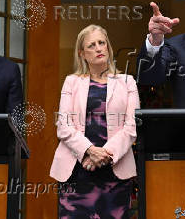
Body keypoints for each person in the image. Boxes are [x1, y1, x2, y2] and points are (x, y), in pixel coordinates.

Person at [50, 24, 139, 219]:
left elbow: (131, 127)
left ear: (108, 47)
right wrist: (90, 151)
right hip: (78, 171)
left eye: (102, 43)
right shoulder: (71, 81)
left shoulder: (128, 82)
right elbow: (63, 126)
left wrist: (104, 155)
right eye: (92, 45)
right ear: (82, 53)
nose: (99, 48)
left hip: (115, 173)